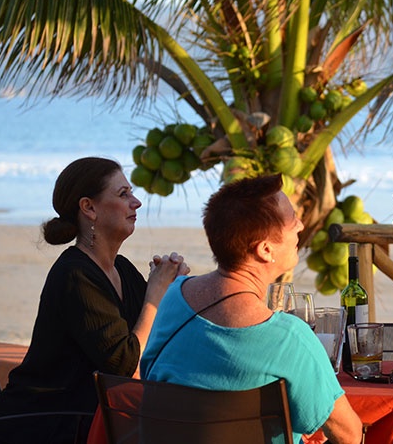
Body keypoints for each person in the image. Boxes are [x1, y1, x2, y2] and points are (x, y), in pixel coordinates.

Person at [140, 174, 363, 444]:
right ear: (265, 250)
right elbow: (349, 434)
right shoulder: (289, 338)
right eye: (292, 219)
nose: (301, 225)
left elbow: (150, 373)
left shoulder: (174, 297)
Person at [0, 157, 188, 444]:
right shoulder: (75, 275)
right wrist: (155, 292)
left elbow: (156, 328)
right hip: (42, 427)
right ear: (89, 208)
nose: (136, 202)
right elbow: (123, 363)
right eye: (123, 194)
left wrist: (172, 284)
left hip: (87, 422)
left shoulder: (123, 270)